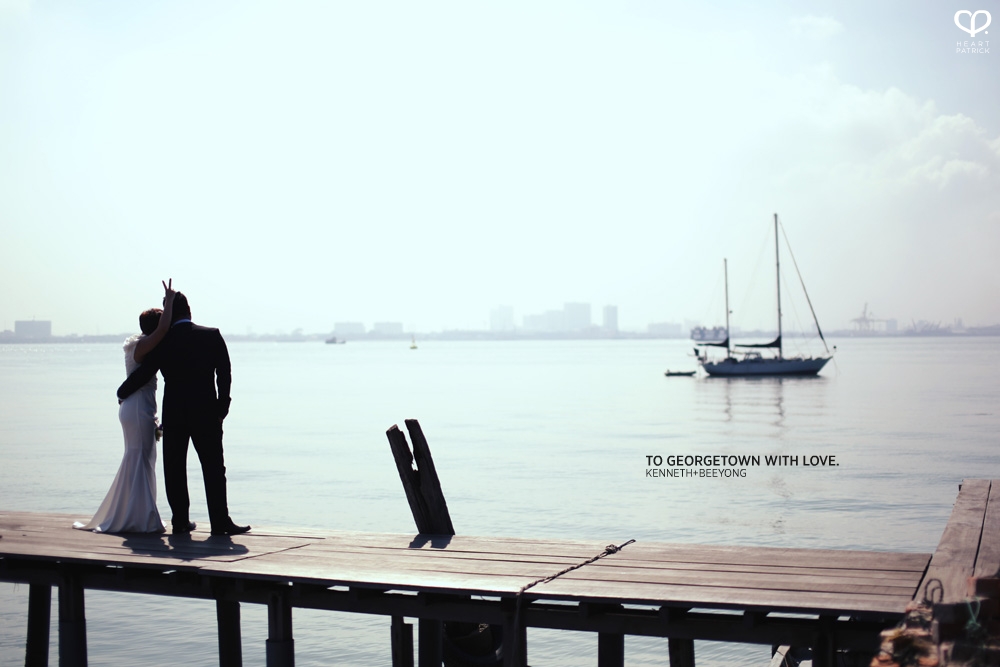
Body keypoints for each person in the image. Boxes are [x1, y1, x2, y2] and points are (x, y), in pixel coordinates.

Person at [117, 286, 250, 536]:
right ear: (189, 310)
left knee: (175, 467)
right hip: (207, 411)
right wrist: (223, 406)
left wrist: (122, 391)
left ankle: (180, 521)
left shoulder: (164, 342)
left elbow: (146, 372)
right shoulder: (211, 335)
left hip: (175, 412)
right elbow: (225, 372)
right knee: (213, 467)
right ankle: (220, 522)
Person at [75, 281, 176, 533]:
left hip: (137, 406)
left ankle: (138, 512)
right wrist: (170, 300)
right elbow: (164, 330)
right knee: (140, 458)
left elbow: (161, 331)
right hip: (139, 407)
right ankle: (140, 517)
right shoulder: (141, 346)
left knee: (141, 458)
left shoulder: (138, 345)